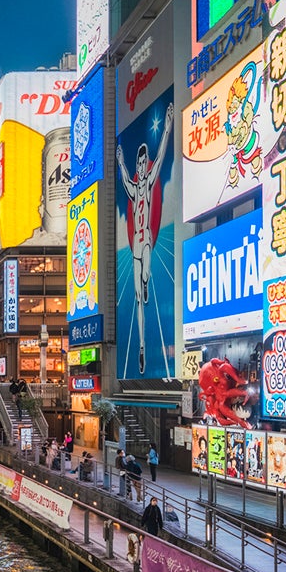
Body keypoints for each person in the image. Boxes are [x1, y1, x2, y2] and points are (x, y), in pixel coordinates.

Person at [116, 99, 174, 374]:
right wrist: (119, 162)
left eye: (142, 161)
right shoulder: (133, 186)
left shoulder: (148, 183)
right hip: (135, 244)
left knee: (146, 274)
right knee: (138, 296)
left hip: (146, 238)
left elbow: (161, 157)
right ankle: (140, 345)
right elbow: (125, 177)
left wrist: (167, 129)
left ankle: (147, 280)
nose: (140, 165)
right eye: (138, 162)